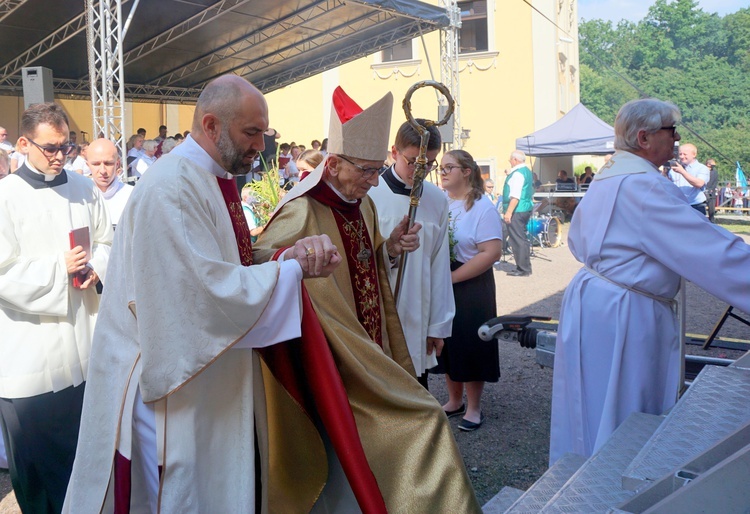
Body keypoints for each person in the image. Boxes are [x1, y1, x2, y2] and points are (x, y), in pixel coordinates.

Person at [64, 75, 341, 513]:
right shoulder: (172, 188)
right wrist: (290, 270)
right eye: (251, 133)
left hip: (208, 375)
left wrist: (287, 255)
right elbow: (202, 293)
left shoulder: (212, 177)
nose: (260, 146)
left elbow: (228, 263)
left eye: (263, 133)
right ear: (211, 125)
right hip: (177, 384)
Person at [254, 87, 481, 512]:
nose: (375, 181)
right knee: (418, 421)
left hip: (365, 345)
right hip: (328, 353)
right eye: (367, 171)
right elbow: (261, 260)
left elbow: (368, 264)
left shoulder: (362, 205)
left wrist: (390, 248)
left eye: (379, 171)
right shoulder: (301, 209)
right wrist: (290, 257)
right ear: (334, 163)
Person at [550, 98, 750, 465]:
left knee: (592, 400)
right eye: (671, 130)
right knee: (625, 413)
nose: (676, 139)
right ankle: (612, 477)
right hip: (626, 313)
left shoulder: (611, 175)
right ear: (644, 137)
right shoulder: (643, 186)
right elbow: (711, 251)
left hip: (596, 303)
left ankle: (583, 468)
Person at [0, 102, 112, 513]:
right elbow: (2, 272)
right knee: (35, 462)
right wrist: (56, 269)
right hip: (29, 349)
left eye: (65, 145)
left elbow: (107, 242)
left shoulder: (84, 189)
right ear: (24, 143)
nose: (59, 155)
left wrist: (96, 266)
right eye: (49, 147)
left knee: (82, 453)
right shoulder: (5, 198)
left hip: (82, 342)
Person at [368, 119, 454, 389]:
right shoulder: (369, 194)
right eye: (413, 162)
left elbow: (439, 266)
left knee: (416, 390)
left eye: (429, 164)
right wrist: (390, 252)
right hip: (379, 311)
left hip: (418, 314)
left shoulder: (437, 200)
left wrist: (438, 327)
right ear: (394, 152)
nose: (421, 171)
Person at [433, 149, 503, 432]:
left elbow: (492, 252)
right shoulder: (443, 204)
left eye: (449, 166)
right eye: (441, 167)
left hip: (471, 284)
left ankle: (474, 406)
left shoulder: (482, 207)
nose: (443, 171)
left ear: (466, 171)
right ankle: (454, 400)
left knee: (472, 343)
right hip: (446, 279)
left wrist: (452, 277)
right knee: (449, 342)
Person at [86, 138, 134, 228]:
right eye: (96, 164)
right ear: (88, 165)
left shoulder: (132, 195)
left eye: (108, 163)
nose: (103, 170)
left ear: (117, 164)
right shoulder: (79, 197)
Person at [503, 150, 535, 277]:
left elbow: (515, 195)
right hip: (525, 207)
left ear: (515, 160)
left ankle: (522, 269)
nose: (510, 161)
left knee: (517, 239)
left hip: (517, 209)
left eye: (511, 159)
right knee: (522, 238)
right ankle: (524, 266)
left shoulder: (517, 174)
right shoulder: (526, 171)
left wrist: (508, 212)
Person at [668, 143, 710, 214]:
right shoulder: (673, 169)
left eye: (685, 154)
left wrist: (682, 172)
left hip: (696, 206)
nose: (681, 156)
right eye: (680, 154)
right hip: (678, 206)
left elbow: (699, 183)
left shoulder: (702, 168)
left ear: (694, 155)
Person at [705, 158, 719, 222]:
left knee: (711, 209)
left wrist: (711, 189)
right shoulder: (702, 171)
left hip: (711, 193)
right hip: (703, 191)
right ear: (708, 164)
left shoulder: (715, 172)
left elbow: (715, 182)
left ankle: (712, 221)